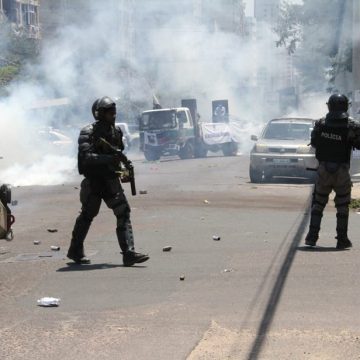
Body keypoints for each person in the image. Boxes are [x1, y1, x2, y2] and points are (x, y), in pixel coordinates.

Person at [67, 96, 149, 265]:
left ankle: (129, 253)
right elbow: (86, 157)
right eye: (109, 112)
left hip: (111, 180)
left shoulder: (116, 131)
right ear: (99, 114)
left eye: (114, 111)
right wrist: (108, 159)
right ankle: (75, 250)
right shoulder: (87, 132)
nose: (113, 114)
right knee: (88, 215)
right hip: (94, 182)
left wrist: (123, 169)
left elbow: (118, 154)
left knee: (123, 212)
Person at [305, 94, 360, 249]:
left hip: (323, 170)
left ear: (329, 106)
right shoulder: (352, 126)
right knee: (342, 205)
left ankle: (312, 237)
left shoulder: (320, 124)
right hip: (342, 170)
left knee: (318, 203)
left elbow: (314, 143)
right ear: (345, 106)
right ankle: (342, 239)